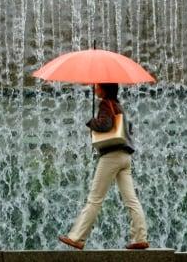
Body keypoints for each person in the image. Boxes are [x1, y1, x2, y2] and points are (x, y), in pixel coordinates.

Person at [58, 82, 150, 250]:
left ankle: (77, 237)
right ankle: (140, 237)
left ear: (105, 89)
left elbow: (105, 125)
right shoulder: (118, 106)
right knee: (131, 200)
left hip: (111, 156)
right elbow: (128, 128)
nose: (96, 88)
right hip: (125, 156)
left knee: (94, 199)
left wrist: (92, 122)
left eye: (98, 86)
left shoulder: (105, 104)